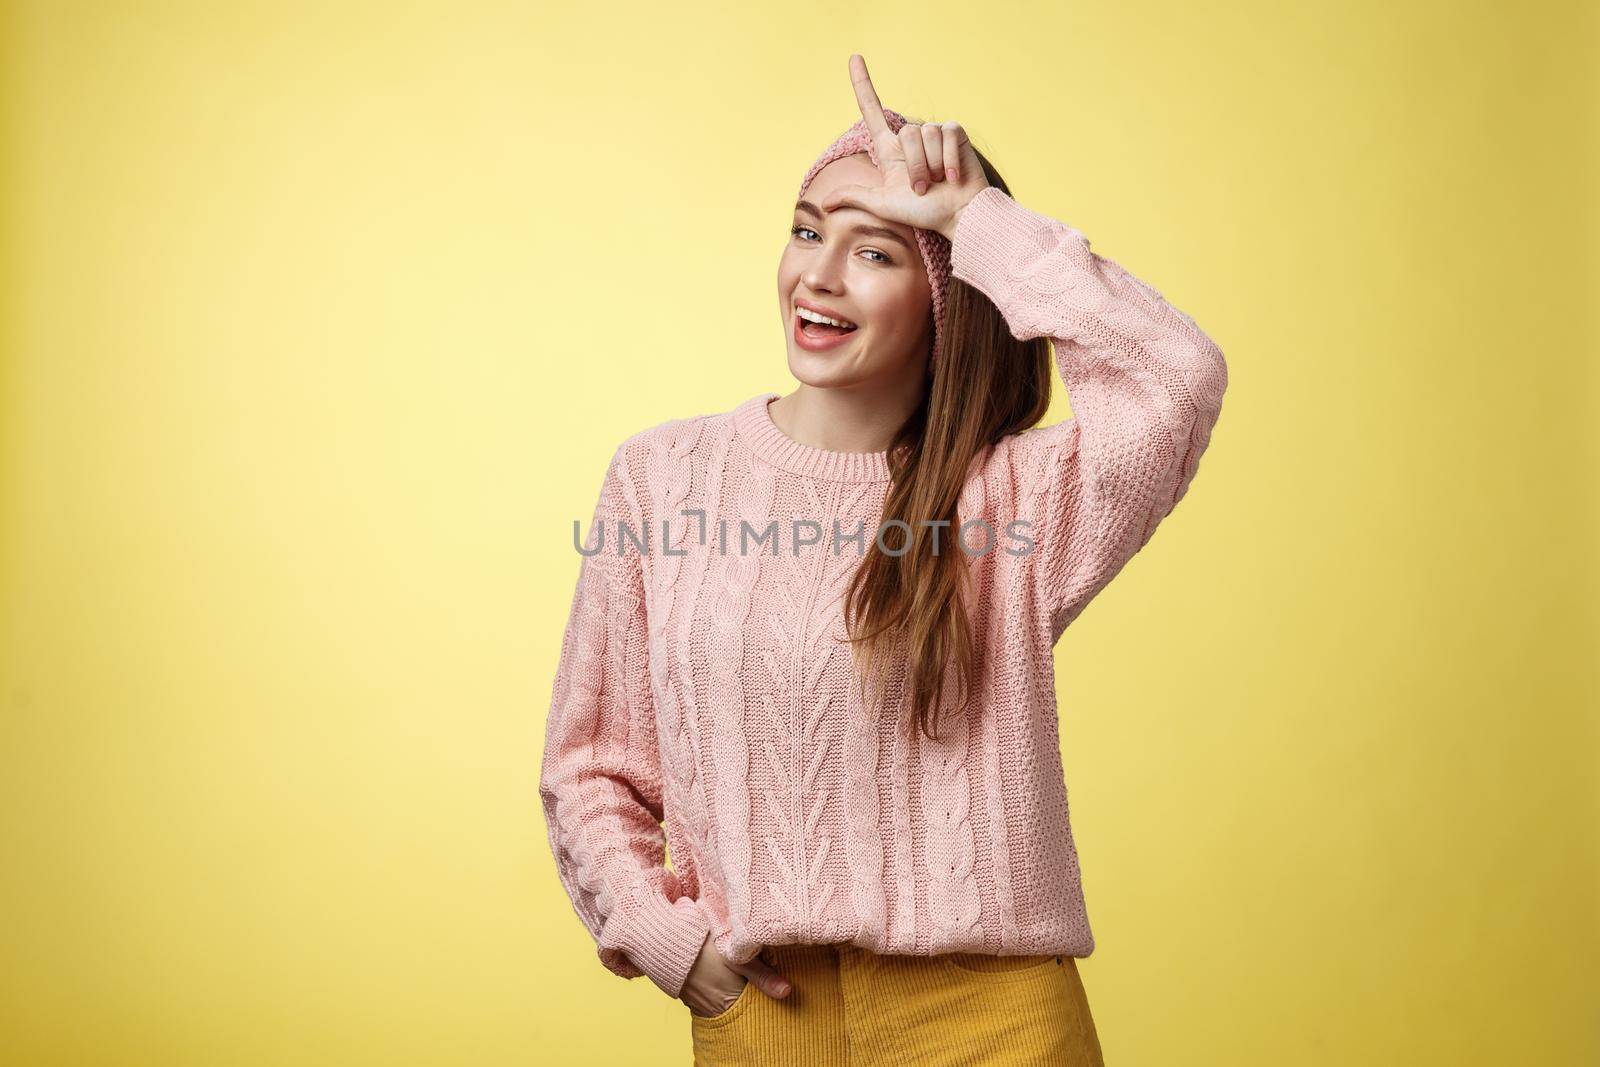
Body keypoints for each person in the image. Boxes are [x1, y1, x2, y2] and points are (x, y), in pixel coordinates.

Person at [538, 53, 1228, 1066]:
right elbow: (591, 761)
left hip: (990, 1018)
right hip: (768, 1014)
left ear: (945, 301)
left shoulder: (1012, 501)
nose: (817, 274)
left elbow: (1175, 377)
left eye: (876, 252)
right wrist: (663, 935)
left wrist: (975, 220)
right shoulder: (662, 477)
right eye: (807, 230)